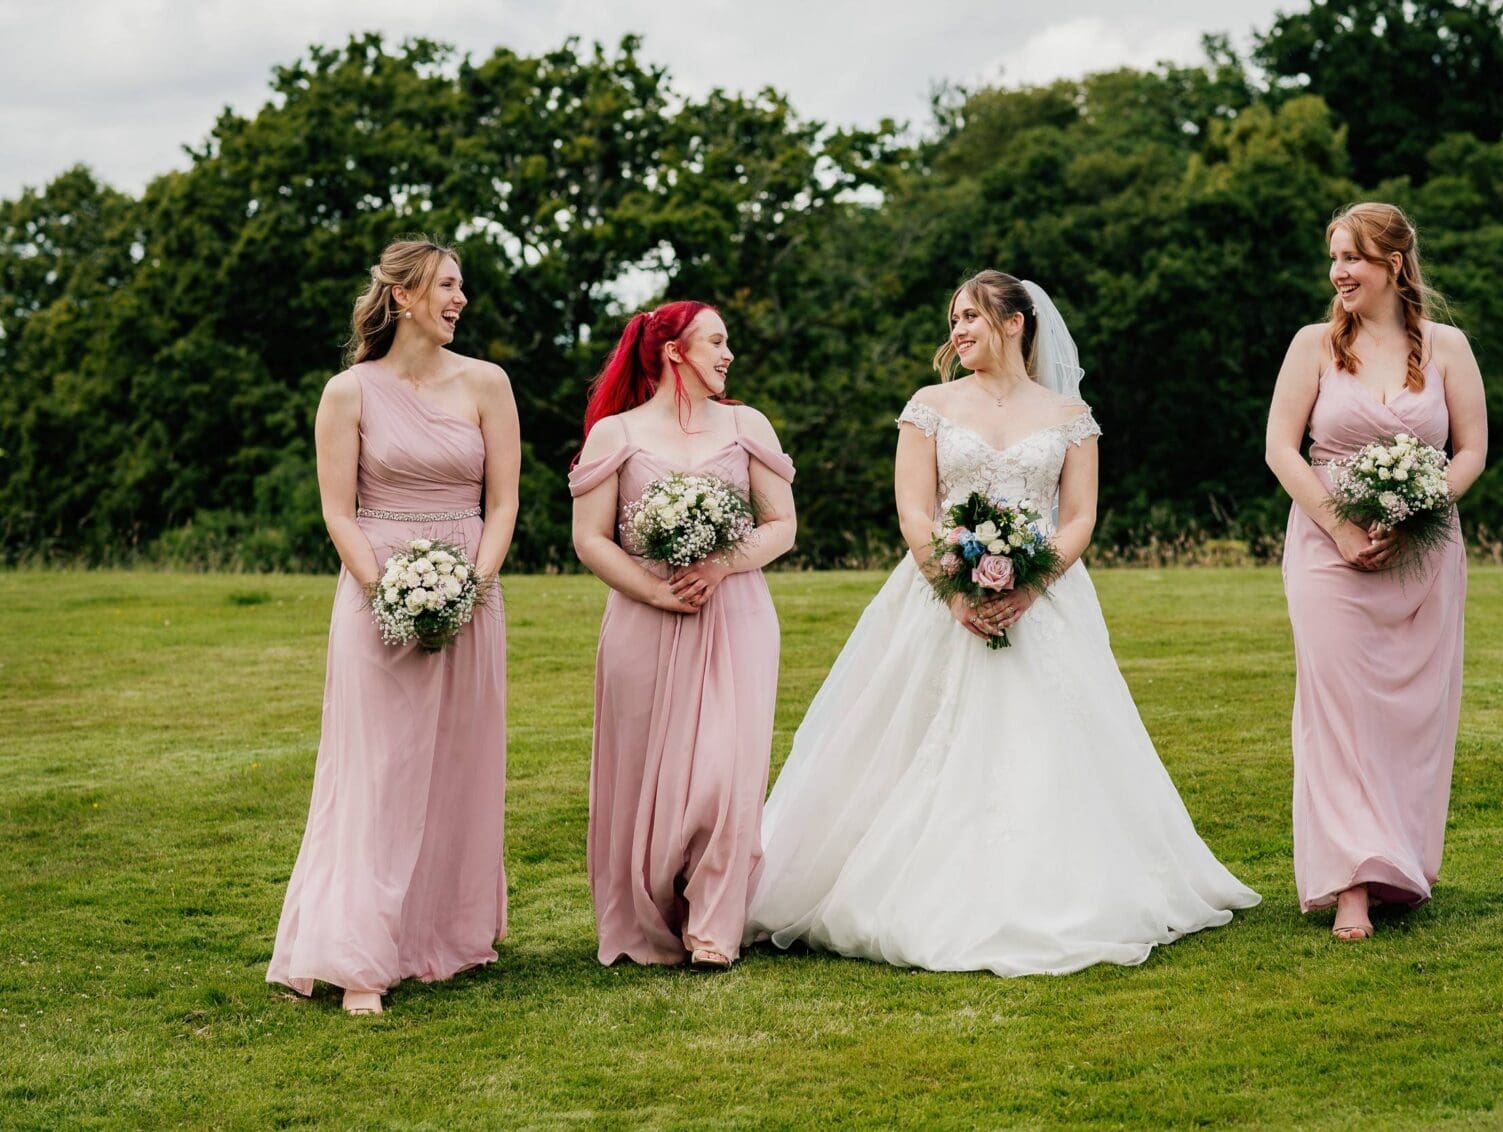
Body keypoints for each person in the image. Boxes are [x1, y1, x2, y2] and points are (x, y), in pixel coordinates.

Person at [745, 270, 1259, 976]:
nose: (956, 332)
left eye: (969, 318)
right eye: (953, 321)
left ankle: (1054, 887)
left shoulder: (1068, 415)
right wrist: (954, 590)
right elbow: (915, 512)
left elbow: (1078, 517)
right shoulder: (928, 406)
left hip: (1044, 602)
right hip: (935, 598)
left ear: (1014, 323)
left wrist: (1031, 582)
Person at [268, 238, 521, 1013]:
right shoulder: (348, 393)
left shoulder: (488, 383)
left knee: (456, 768)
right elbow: (337, 513)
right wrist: (388, 594)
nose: (460, 298)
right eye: (447, 285)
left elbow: (504, 503)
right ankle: (359, 960)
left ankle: (437, 937)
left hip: (469, 593)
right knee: (376, 773)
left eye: (462, 286)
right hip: (376, 593)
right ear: (404, 296)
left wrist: (470, 590)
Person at [1264, 202, 1488, 940]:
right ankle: (1350, 884)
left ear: (1393, 263)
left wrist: (1419, 509)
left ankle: (1397, 865)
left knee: (1408, 714)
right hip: (1327, 548)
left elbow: (1471, 453)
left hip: (1421, 553)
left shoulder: (1448, 347)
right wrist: (1339, 524)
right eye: (1333, 258)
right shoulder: (1312, 344)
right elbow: (1280, 449)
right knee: (1336, 712)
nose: (1338, 273)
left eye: (1352, 257)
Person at [569, 301, 797, 969]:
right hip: (644, 618)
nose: (728, 355)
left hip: (736, 616)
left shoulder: (746, 424)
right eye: (716, 341)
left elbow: (780, 524)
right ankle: (648, 916)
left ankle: (713, 929)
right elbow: (589, 537)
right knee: (645, 776)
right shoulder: (616, 434)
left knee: (725, 775)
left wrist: (720, 565)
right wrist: (655, 590)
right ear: (673, 350)